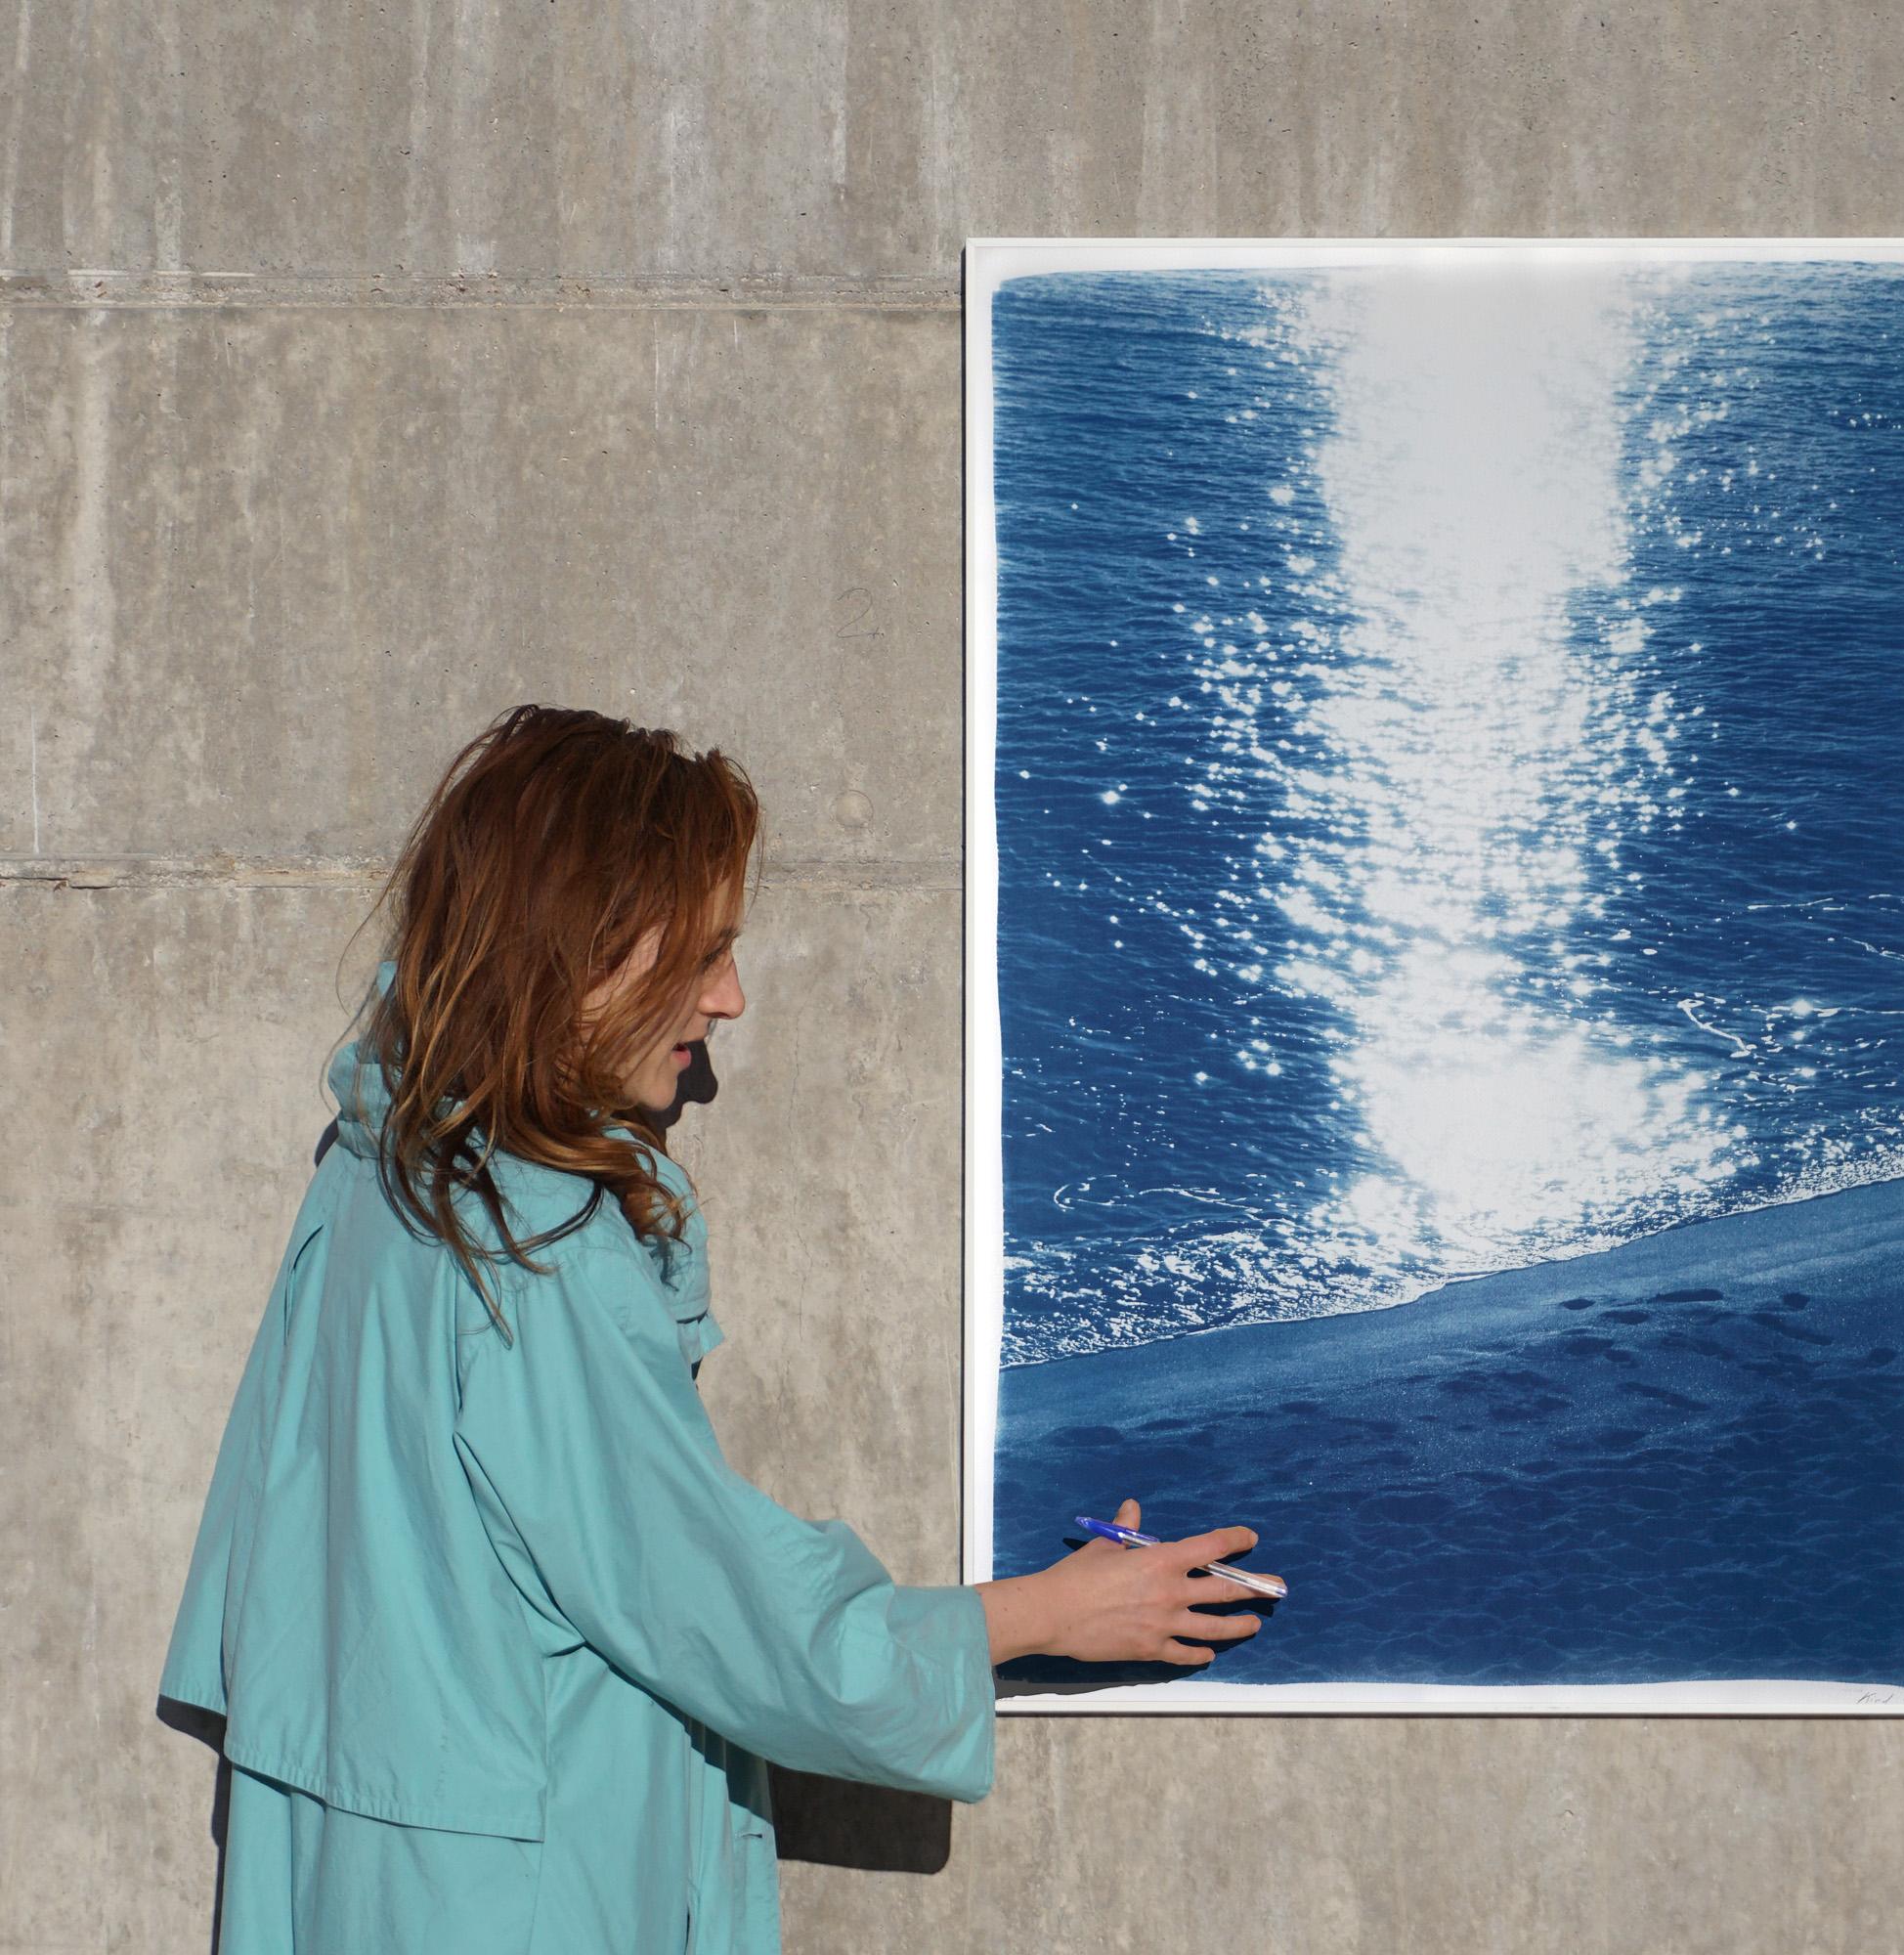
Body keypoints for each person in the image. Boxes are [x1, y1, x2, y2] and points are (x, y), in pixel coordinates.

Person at [156, 704, 1277, 1951]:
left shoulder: (376, 1176)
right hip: (521, 1901)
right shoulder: (531, 1251)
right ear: (584, 949)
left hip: (360, 1881)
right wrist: (1045, 1612)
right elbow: (723, 1612)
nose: (730, 997)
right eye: (701, 952)